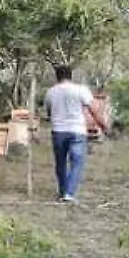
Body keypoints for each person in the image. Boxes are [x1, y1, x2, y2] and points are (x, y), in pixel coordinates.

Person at [44, 64, 107, 203]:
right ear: (70, 76)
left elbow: (48, 113)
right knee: (77, 162)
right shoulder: (80, 90)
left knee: (60, 163)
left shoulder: (50, 92)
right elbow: (94, 110)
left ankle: (62, 192)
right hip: (77, 131)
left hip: (58, 131)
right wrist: (103, 125)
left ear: (57, 76)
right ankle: (69, 193)